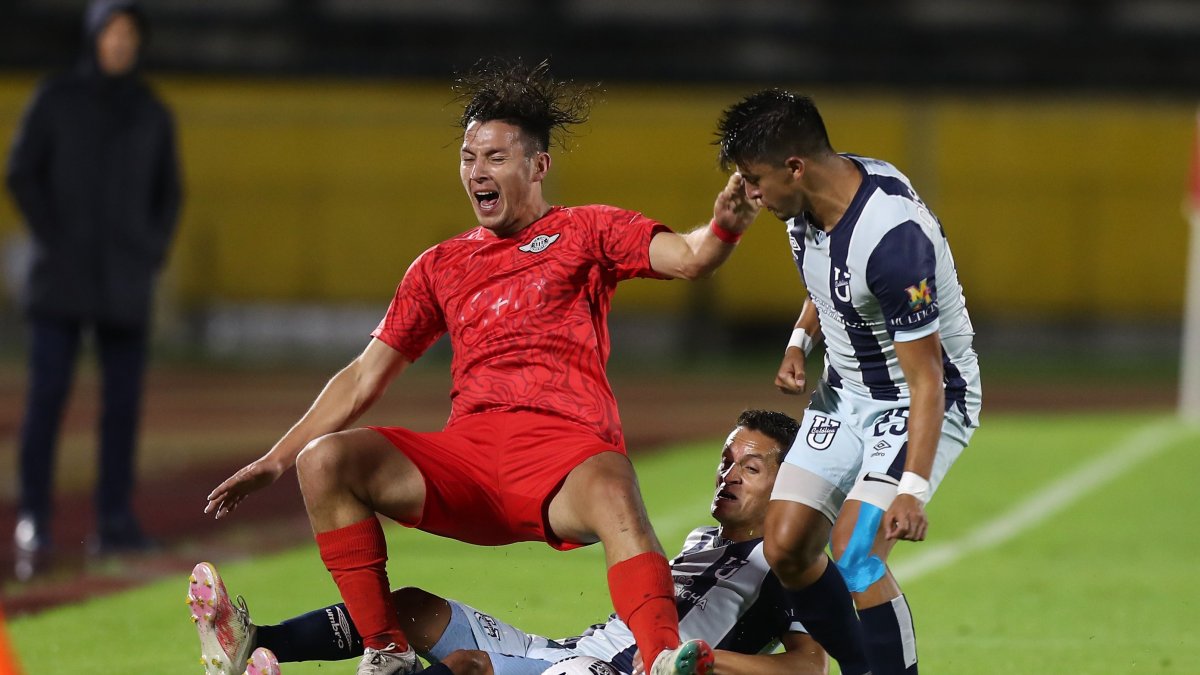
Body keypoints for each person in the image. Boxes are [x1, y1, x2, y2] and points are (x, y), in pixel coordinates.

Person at [201, 60, 759, 675]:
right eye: (469, 157)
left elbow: (689, 257)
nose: (476, 171)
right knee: (325, 459)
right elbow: (364, 375)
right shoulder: (439, 265)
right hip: (467, 460)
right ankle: (385, 654)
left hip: (563, 458)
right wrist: (278, 459)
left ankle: (658, 661)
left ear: (537, 166)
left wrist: (725, 228)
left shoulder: (587, 230)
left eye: (494, 157)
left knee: (613, 483)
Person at [189, 410, 828, 675]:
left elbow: (806, 668)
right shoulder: (700, 538)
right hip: (569, 655)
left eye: (751, 466)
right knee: (410, 609)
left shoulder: (793, 564)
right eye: (725, 459)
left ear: (790, 481)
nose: (728, 474)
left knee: (469, 671)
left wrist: (699, 664)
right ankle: (252, 644)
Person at [714, 90, 982, 674]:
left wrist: (912, 487)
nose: (751, 195)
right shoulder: (809, 199)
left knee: (857, 552)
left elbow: (928, 376)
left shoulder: (893, 241)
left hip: (913, 402)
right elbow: (828, 280)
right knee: (784, 545)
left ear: (794, 166)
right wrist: (799, 342)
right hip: (843, 395)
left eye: (754, 179)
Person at [5, 0, 182, 576]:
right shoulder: (57, 97)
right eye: (112, 32)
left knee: (123, 409)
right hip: (62, 279)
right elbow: (21, 172)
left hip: (124, 282)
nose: (121, 43)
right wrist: (55, 237)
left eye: (130, 33)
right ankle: (33, 514)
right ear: (94, 38)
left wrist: (149, 249)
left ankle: (114, 521)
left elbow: (169, 192)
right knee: (48, 400)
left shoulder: (152, 112)